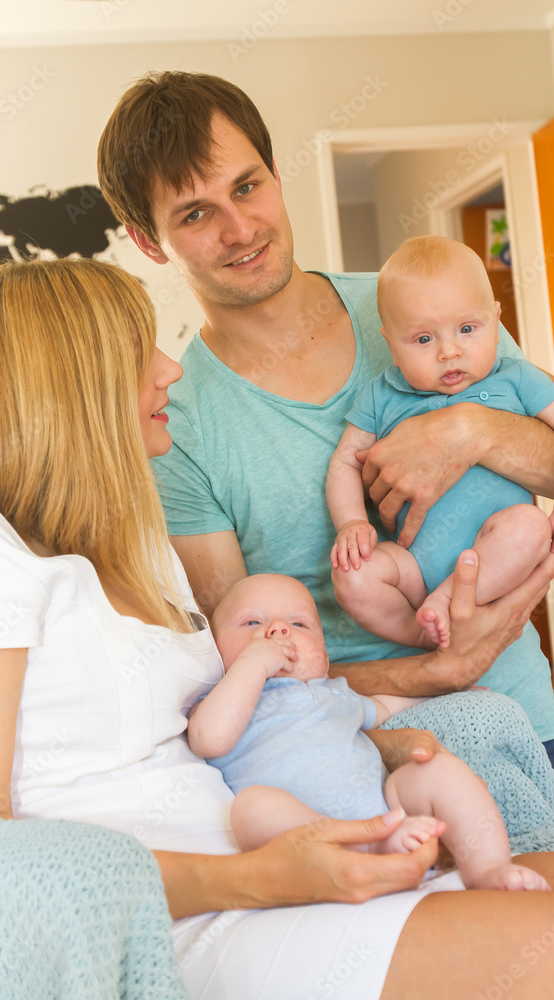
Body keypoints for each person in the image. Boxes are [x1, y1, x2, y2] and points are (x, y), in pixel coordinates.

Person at [0, 258, 554, 1000]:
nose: (171, 369)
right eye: (141, 352)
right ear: (67, 384)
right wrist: (256, 878)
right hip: (189, 924)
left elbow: (220, 721)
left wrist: (359, 738)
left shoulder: (133, 551)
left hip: (287, 859)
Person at [97, 70, 554, 750]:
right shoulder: (176, 428)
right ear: (148, 241)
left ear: (277, 176)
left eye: (246, 187)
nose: (239, 227)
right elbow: (240, 659)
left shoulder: (423, 306)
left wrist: (470, 429)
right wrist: (437, 670)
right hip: (356, 758)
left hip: (527, 722)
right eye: (195, 214)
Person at [189, 572, 550, 891]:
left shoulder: (333, 693)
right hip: (303, 833)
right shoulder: (225, 698)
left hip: (384, 812)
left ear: (325, 660)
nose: (278, 631)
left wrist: (451, 690)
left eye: (299, 625)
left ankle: (488, 867)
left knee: (436, 772)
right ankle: (363, 849)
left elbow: (385, 707)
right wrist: (253, 664)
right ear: (216, 654)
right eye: (252, 623)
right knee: (252, 808)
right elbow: (209, 739)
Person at [329, 236, 554, 650]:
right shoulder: (382, 396)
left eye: (468, 329)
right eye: (423, 340)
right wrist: (352, 523)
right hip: (411, 565)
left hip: (493, 553)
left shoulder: (517, 378)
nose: (450, 351)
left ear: (496, 320)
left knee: (531, 527)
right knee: (351, 573)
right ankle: (421, 636)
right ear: (390, 344)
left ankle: (448, 601)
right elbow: (345, 461)